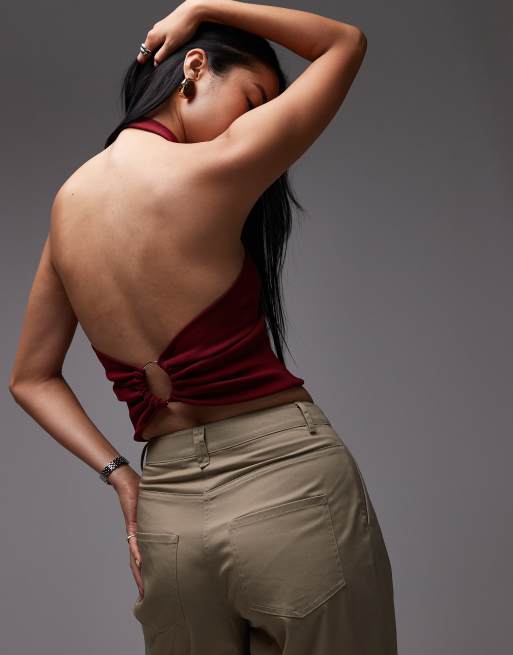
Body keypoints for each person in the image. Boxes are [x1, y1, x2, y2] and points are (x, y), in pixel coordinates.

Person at [8, 1, 397, 653]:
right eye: (252, 100)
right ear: (194, 66)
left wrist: (122, 477)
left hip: (168, 518)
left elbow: (29, 378)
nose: (252, 123)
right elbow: (345, 43)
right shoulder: (220, 166)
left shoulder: (66, 208)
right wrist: (203, 5)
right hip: (287, 485)